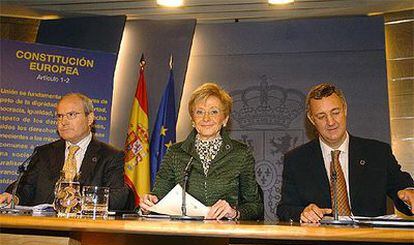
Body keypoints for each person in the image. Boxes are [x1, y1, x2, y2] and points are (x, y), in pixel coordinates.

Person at [277, 83, 414, 223]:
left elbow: (401, 186)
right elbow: (285, 209)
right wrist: (303, 213)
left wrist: (409, 193)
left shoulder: (377, 153)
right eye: (321, 116)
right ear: (312, 119)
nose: (330, 122)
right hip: (321, 242)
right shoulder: (296, 160)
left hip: (369, 241)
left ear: (345, 110)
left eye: (335, 112)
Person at [140, 83, 263, 220]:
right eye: (199, 112)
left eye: (214, 111)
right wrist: (149, 203)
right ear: (192, 120)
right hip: (184, 234)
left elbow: (255, 206)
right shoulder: (175, 152)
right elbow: (159, 196)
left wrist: (234, 213)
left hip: (225, 233)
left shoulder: (241, 153)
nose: (206, 118)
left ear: (225, 119)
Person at [0, 93, 133, 210]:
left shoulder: (110, 156)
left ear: (90, 118)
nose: (63, 122)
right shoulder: (43, 153)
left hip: (87, 231)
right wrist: (14, 197)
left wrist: (81, 200)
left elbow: (118, 198)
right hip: (45, 230)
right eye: (59, 116)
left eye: (71, 115)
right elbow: (26, 187)